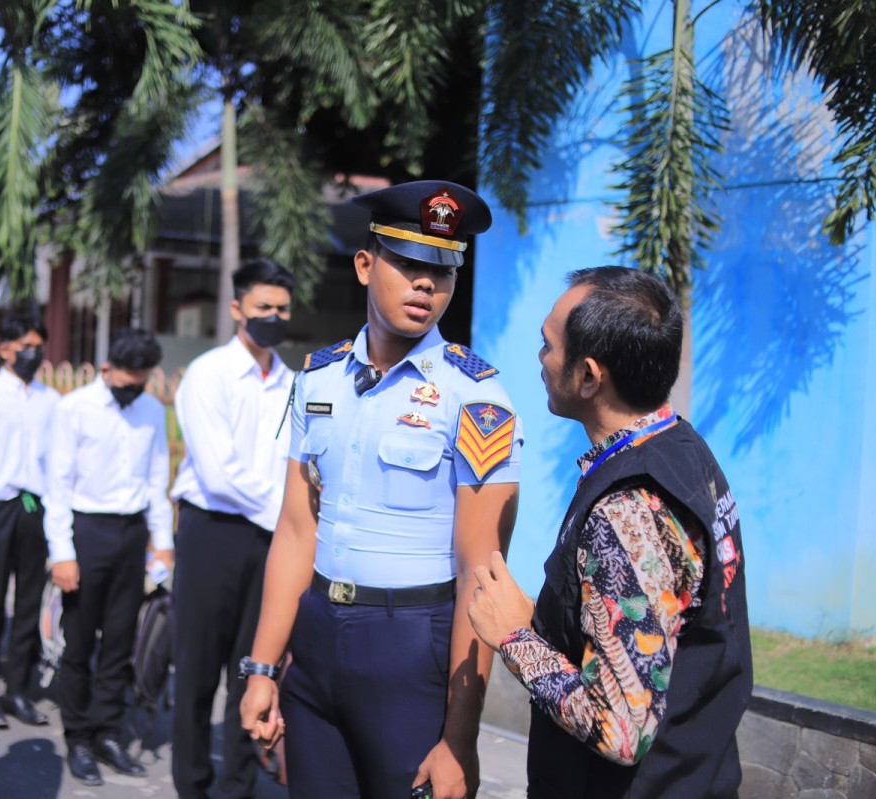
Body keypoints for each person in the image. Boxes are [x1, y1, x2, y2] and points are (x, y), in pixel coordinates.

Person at [239, 181, 522, 799]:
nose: (425, 285)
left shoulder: (476, 399)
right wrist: (263, 668)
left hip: (409, 646)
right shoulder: (318, 379)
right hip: (315, 645)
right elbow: (295, 530)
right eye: (408, 265)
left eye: (440, 271)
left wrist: (460, 738)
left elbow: (482, 572)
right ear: (366, 266)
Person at [466, 266, 751, 799]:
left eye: (548, 346)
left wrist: (515, 639)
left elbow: (622, 731)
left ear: (589, 376)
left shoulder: (629, 509)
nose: (540, 357)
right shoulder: (679, 446)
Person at [171, 258, 296, 799]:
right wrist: (284, 514)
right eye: (263, 306)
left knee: (254, 668)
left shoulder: (294, 383)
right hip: (213, 534)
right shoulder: (208, 374)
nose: (272, 315)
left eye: (282, 308)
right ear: (237, 308)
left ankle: (236, 788)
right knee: (197, 672)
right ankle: (193, 785)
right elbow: (219, 473)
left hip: (272, 542)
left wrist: (289, 527)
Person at [43, 327, 173, 787]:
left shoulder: (152, 411)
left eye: (141, 381)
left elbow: (158, 478)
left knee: (120, 643)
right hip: (87, 531)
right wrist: (62, 553)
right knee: (79, 644)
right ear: (105, 370)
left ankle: (107, 732)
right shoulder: (73, 408)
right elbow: (56, 485)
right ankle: (78, 736)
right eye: (126, 380)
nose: (132, 389)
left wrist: (162, 542)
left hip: (131, 533)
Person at [0, 313, 56, 727]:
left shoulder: (50, 399)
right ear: (4, 349)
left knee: (28, 604)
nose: (33, 354)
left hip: (33, 507)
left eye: (39, 346)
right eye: (25, 346)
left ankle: (17, 691)